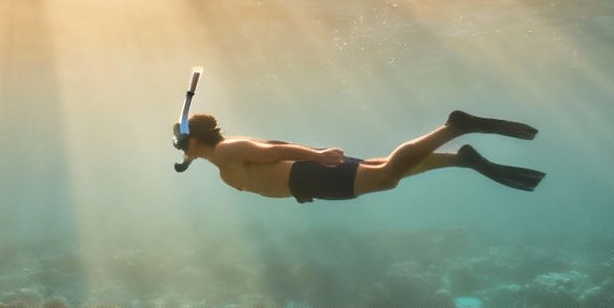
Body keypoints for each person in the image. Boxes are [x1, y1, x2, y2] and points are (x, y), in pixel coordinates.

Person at [175, 110, 544, 203]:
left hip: (310, 176)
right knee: (385, 169)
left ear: (195, 141)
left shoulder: (226, 151)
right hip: (307, 183)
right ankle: (458, 158)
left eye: (182, 144)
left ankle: (453, 127)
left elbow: (272, 151)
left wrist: (317, 156)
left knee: (387, 177)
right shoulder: (221, 162)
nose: (181, 152)